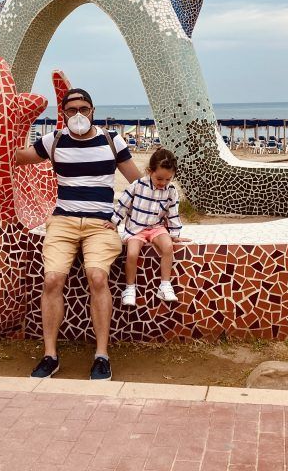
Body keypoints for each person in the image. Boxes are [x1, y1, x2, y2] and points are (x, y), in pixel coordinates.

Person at [14, 87, 141, 380]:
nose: (78, 115)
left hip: (101, 225)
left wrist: (144, 223)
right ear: (64, 114)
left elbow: (138, 185)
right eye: (72, 110)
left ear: (93, 111)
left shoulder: (111, 140)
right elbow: (19, 158)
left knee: (98, 277)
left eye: (84, 109)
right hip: (63, 222)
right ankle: (49, 355)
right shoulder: (54, 140)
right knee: (52, 279)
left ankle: (101, 355)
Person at [109, 148, 188, 306]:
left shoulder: (171, 191)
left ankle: (165, 285)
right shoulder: (137, 185)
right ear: (149, 171)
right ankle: (129, 288)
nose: (163, 183)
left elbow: (172, 213)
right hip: (136, 229)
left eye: (168, 179)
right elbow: (123, 204)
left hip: (157, 228)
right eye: (159, 178)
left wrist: (174, 234)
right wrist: (114, 221)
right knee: (132, 253)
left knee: (167, 247)